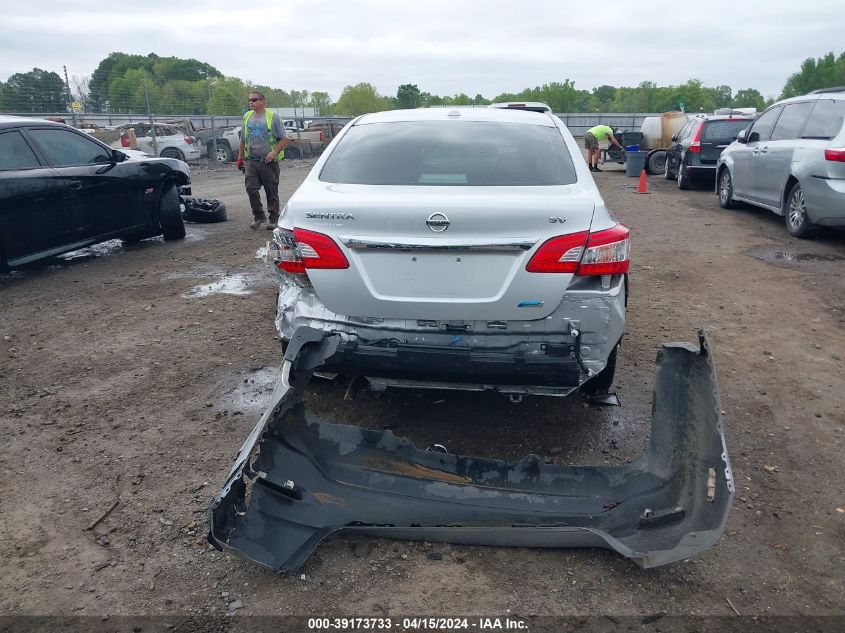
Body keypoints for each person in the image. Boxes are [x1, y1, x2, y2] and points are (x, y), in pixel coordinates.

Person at [236, 92, 293, 229]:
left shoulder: (273, 117)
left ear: (263, 101)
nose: (251, 102)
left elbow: (285, 139)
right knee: (251, 188)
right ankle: (258, 216)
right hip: (252, 161)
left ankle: (273, 218)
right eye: (250, 100)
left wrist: (274, 152)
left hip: (269, 163)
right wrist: (240, 158)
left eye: (255, 100)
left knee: (271, 190)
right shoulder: (247, 116)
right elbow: (243, 138)